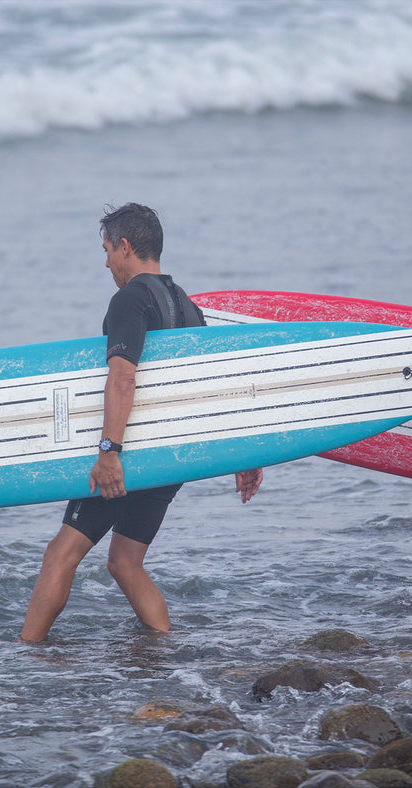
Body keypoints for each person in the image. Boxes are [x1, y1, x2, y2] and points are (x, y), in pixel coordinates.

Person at [20, 203, 263, 642]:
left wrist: (109, 452)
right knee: (125, 563)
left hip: (127, 458)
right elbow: (206, 389)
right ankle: (164, 644)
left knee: (61, 554)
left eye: (107, 250)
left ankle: (26, 655)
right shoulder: (187, 306)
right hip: (167, 463)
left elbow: (123, 376)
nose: (106, 262)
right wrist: (242, 454)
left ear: (125, 246)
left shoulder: (130, 299)